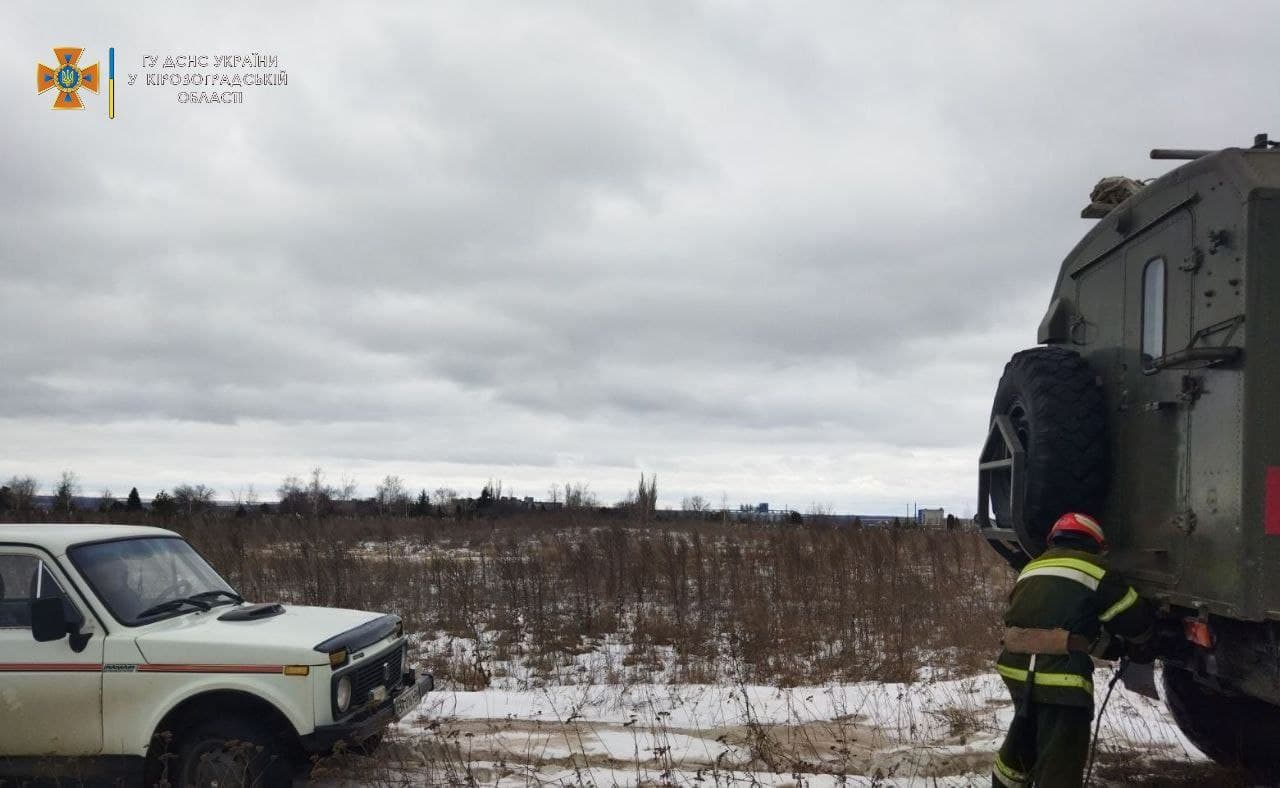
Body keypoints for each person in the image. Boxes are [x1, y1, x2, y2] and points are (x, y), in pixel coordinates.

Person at [991, 512, 1155, 788]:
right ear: (1095, 543)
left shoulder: (1034, 566)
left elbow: (1063, 620)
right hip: (1061, 677)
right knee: (1061, 759)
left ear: (1054, 539)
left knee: (1024, 737)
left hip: (1016, 668)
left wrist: (1107, 645)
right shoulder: (1095, 569)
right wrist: (1144, 641)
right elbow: (1135, 621)